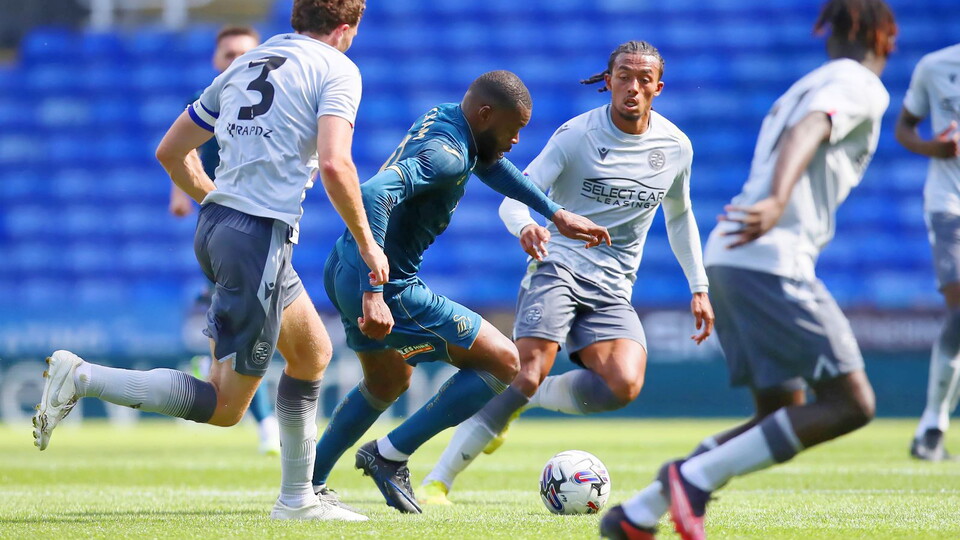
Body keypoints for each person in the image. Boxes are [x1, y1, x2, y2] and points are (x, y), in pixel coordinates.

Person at [33, 0, 386, 522]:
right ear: (345, 27)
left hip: (221, 228)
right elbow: (336, 163)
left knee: (311, 354)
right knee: (225, 407)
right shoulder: (338, 68)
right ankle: (82, 377)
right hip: (257, 239)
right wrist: (366, 242)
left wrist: (217, 200)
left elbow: (170, 152)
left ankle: (298, 498)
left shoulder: (249, 63)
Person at [600, 1, 897, 538]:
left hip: (732, 258)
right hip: (771, 260)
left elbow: (801, 122)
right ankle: (690, 479)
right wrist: (780, 199)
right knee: (851, 403)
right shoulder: (860, 84)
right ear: (884, 38)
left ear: (829, 34)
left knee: (778, 413)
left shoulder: (801, 86)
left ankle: (638, 514)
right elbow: (810, 129)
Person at [420, 40, 715, 506]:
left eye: (643, 79)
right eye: (623, 76)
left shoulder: (676, 147)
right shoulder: (577, 135)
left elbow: (680, 217)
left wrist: (699, 286)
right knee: (528, 366)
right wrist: (527, 229)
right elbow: (513, 198)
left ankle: (528, 397)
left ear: (658, 86)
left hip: (615, 286)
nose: (632, 87)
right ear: (608, 80)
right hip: (557, 267)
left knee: (623, 385)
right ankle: (437, 480)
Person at [309, 70, 611, 514]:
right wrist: (376, 287)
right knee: (504, 361)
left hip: (341, 267)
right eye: (514, 129)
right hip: (385, 285)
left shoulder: (450, 118)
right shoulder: (446, 155)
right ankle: (389, 455)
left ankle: (307, 484)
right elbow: (374, 193)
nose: (515, 141)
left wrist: (553, 211)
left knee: (388, 378)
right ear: (486, 115)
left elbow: (489, 164)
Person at [168, 25, 281, 457]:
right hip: (227, 231)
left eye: (244, 53)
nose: (236, 60)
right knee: (254, 326)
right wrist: (183, 194)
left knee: (255, 327)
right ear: (216, 60)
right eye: (228, 53)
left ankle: (214, 361)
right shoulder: (206, 103)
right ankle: (268, 423)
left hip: (265, 227)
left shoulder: (271, 105)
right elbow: (181, 154)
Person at [894, 42, 960, 462]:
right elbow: (904, 128)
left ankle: (931, 429)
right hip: (949, 203)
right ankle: (933, 424)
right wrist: (931, 148)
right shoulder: (935, 65)